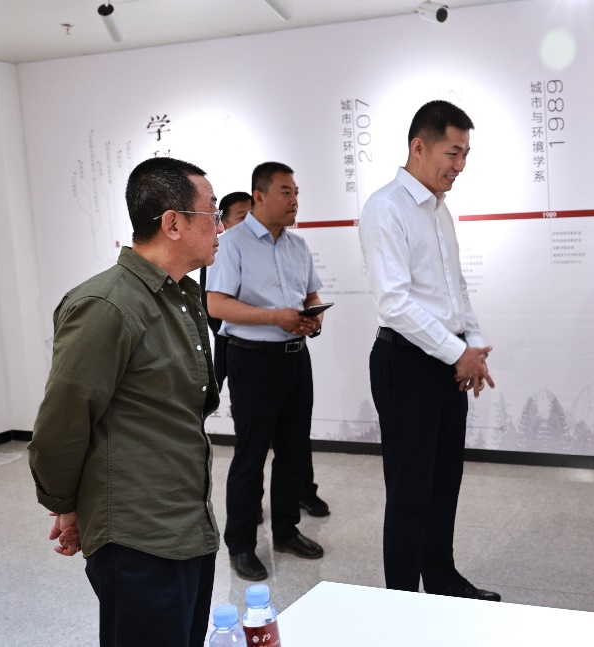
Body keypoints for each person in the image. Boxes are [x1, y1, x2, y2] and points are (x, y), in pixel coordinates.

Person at [28, 156, 224, 646]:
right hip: (139, 537)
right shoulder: (107, 305)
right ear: (173, 223)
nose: (221, 226)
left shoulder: (180, 297)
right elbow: (62, 424)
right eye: (212, 212)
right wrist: (67, 506)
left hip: (187, 523)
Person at [358, 100, 499, 601]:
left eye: (465, 155)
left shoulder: (440, 211)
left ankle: (442, 580)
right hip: (406, 364)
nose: (460, 166)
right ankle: (400, 599)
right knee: (410, 492)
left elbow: (456, 290)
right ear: (419, 147)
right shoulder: (385, 208)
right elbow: (394, 302)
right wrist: (456, 352)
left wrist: (472, 346)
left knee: (444, 483)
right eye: (452, 153)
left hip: (446, 363)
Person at [206, 162, 327, 582]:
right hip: (253, 359)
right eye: (285, 192)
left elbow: (311, 294)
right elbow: (217, 305)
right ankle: (241, 544)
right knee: (252, 453)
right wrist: (275, 316)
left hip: (296, 358)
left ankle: (286, 530)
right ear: (259, 196)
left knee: (294, 451)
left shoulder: (298, 245)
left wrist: (313, 317)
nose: (294, 200)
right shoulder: (232, 244)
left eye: (296, 192)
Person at [201, 190, 254, 390]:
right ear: (224, 224)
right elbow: (211, 309)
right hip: (239, 348)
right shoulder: (219, 252)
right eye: (242, 217)